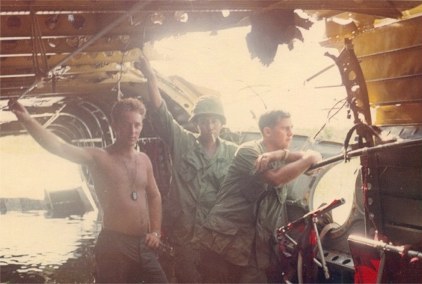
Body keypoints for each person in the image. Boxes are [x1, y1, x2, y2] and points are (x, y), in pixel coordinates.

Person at [8, 98, 168, 283]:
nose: (133, 131)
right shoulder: (99, 157)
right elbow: (59, 146)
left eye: (137, 125)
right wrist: (27, 119)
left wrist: (155, 231)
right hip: (114, 245)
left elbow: (155, 196)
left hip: (143, 244)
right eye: (127, 125)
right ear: (114, 125)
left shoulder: (144, 160)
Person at [135, 54, 238, 283]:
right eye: (203, 121)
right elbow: (162, 114)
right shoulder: (183, 142)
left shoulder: (234, 152)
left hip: (218, 239)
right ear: (196, 123)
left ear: (221, 123)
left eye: (214, 121)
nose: (209, 126)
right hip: (185, 238)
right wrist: (151, 77)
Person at [197, 109, 322, 283]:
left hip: (254, 249)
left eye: (291, 128)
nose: (291, 133)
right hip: (223, 245)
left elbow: (314, 158)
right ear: (267, 131)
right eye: (285, 128)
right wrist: (308, 158)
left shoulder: (278, 156)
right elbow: (276, 179)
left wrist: (280, 154)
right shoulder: (249, 152)